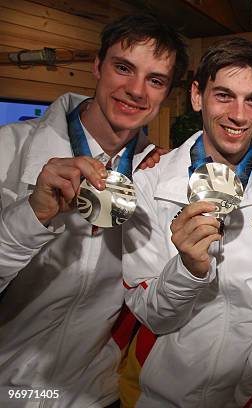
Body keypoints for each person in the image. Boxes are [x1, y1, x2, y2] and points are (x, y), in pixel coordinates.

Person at [0, 13, 188, 407]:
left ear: (166, 94)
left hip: (93, 393)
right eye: (124, 68)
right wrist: (30, 216)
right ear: (98, 66)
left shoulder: (156, 176)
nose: (136, 90)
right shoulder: (9, 149)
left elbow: (153, 302)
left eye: (155, 80)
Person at [120, 37, 252, 408]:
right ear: (196, 96)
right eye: (223, 95)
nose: (238, 115)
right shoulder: (149, 186)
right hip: (156, 397)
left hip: (247, 398)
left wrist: (243, 399)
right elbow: (149, 314)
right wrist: (187, 270)